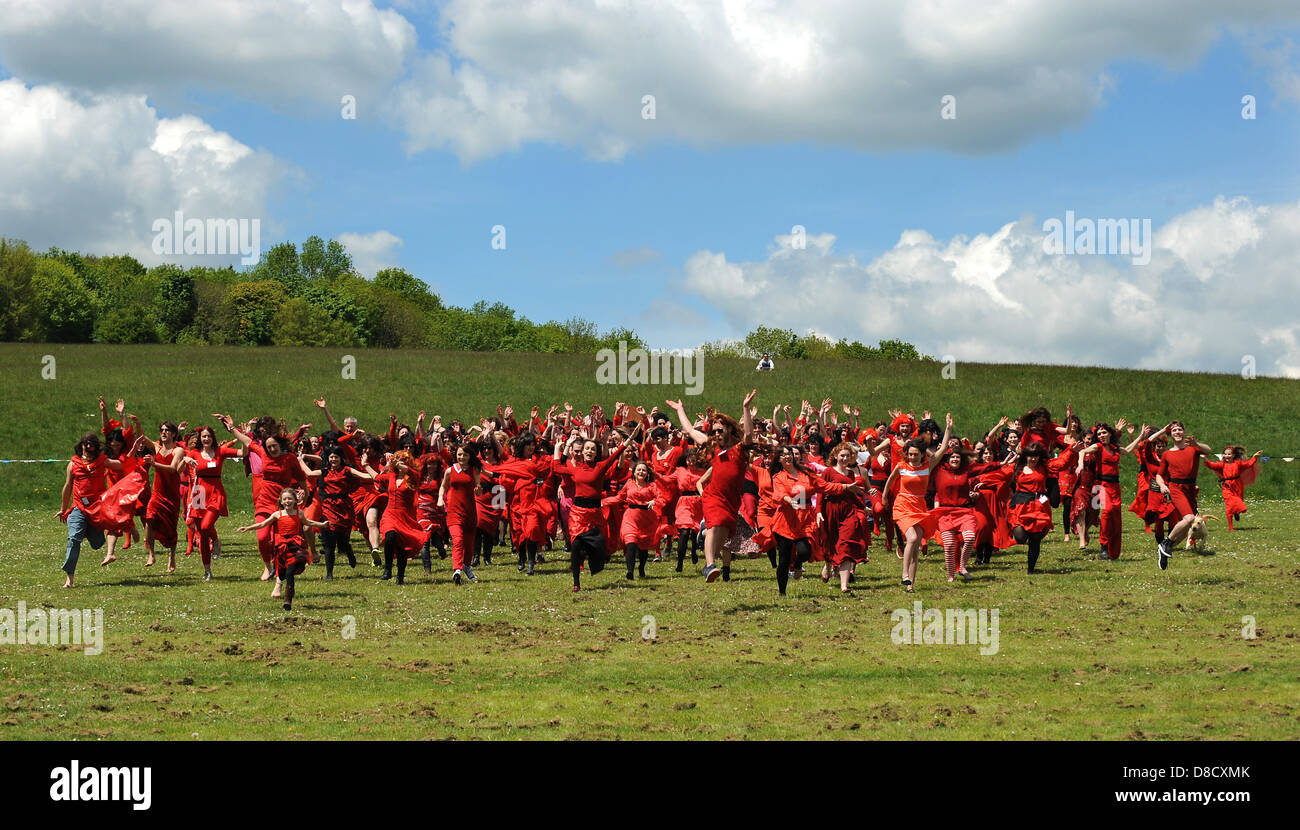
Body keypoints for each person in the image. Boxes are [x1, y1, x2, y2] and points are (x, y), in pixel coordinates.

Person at [665, 390, 758, 583]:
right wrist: (680, 410)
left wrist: (746, 408)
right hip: (712, 496)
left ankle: (704, 537)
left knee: (723, 536)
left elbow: (748, 433)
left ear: (730, 430)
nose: (716, 434)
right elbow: (690, 431)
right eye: (714, 431)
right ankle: (709, 566)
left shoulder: (740, 450)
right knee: (715, 527)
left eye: (720, 430)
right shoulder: (713, 447)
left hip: (732, 501)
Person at [881, 415, 950, 592]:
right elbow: (890, 479)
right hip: (903, 504)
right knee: (911, 538)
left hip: (919, 506)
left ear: (921, 454)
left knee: (916, 546)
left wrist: (948, 429)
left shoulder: (928, 465)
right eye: (909, 454)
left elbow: (942, 449)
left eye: (915, 455)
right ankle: (904, 574)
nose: (911, 457)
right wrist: (884, 496)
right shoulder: (902, 465)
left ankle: (910, 584)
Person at [237, 488, 328, 610]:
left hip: (295, 545)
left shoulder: (299, 513)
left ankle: (287, 600)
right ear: (281, 501)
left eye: (290, 498)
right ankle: (286, 594)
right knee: (286, 573)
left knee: (291, 571)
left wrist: (322, 525)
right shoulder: (277, 514)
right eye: (284, 499)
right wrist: (248, 528)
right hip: (283, 547)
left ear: (295, 500)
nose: (287, 501)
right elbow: (262, 524)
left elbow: (308, 522)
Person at [57, 432, 126, 588]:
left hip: (96, 509)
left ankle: (88, 531)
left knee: (97, 543)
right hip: (78, 507)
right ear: (81, 445)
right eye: (86, 444)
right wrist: (63, 509)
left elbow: (122, 465)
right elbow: (67, 486)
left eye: (92, 445)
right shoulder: (73, 464)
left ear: (96, 447)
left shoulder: (102, 461)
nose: (89, 447)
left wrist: (135, 454)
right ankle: (70, 577)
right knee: (73, 538)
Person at [1153, 422, 1213, 570]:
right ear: (1171, 434)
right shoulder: (1167, 454)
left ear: (1184, 432)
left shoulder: (1193, 449)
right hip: (1176, 488)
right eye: (1174, 430)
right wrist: (1162, 485)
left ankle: (1166, 549)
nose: (1178, 432)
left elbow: (1209, 450)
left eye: (1180, 429)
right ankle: (1166, 543)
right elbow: (1159, 475)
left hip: (1190, 488)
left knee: (1186, 526)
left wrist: (1196, 443)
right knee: (1189, 519)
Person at [1205, 446, 1261, 530]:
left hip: (1237, 485)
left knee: (1238, 502)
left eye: (1229, 454)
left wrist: (1254, 457)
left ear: (1233, 455)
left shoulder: (1238, 463)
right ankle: (1231, 527)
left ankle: (1236, 512)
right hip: (1227, 486)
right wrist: (1205, 459)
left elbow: (1249, 464)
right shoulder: (1222, 464)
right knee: (1229, 505)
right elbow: (1212, 465)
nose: (1226, 456)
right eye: (1225, 454)